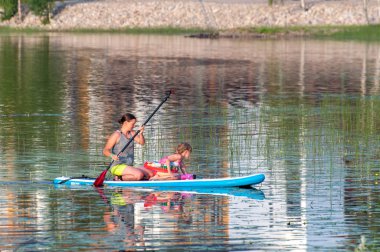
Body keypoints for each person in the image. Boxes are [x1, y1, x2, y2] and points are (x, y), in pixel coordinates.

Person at [103, 113, 153, 181]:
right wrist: (112, 155)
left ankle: (132, 178)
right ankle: (118, 178)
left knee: (150, 174)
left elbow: (142, 143)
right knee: (139, 175)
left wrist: (141, 133)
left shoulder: (132, 133)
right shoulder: (117, 135)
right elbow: (105, 150)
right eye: (132, 124)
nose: (134, 126)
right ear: (126, 123)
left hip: (128, 166)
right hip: (117, 166)